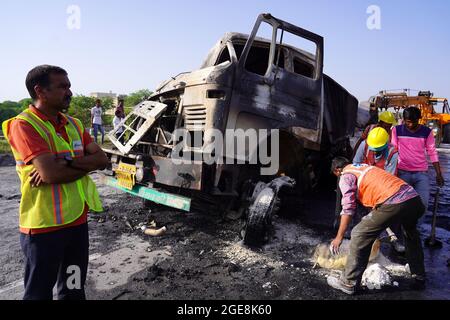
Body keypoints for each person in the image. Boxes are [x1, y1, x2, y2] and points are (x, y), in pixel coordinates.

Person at [1, 65, 109, 300]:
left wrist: (64, 161)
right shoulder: (24, 125)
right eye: (62, 87)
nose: (69, 92)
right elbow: (51, 174)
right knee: (39, 294)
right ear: (40, 91)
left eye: (69, 86)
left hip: (77, 223)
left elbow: (102, 158)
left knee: (73, 289)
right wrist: (81, 163)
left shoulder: (74, 124)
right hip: (43, 227)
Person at [327, 157, 426, 295]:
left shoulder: (346, 175)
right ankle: (419, 274)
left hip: (395, 201)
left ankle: (348, 282)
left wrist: (339, 237)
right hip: (414, 199)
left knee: (359, 233)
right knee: (410, 233)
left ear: (337, 171)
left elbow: (348, 208)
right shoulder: (364, 167)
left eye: (336, 175)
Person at [353, 127, 405, 253]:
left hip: (383, 186)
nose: (374, 152)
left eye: (378, 149)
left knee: (388, 211)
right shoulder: (364, 145)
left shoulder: (392, 152)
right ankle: (363, 239)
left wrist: (376, 199)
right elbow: (355, 165)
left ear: (385, 144)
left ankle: (394, 239)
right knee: (362, 214)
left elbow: (389, 178)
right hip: (364, 182)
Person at [391, 107, 445, 212]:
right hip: (402, 172)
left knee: (423, 204)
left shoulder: (426, 132)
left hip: (421, 173)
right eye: (408, 122)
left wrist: (439, 174)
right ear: (404, 120)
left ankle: (416, 227)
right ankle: (403, 227)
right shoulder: (396, 130)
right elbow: (393, 151)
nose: (410, 125)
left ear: (419, 119)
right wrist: (391, 173)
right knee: (401, 204)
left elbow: (432, 152)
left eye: (414, 122)